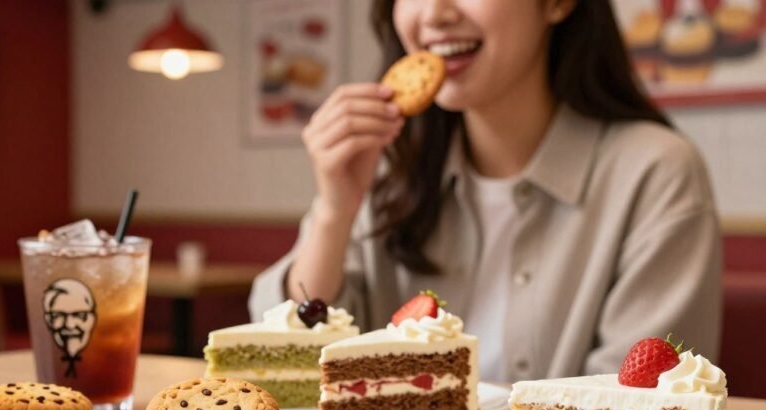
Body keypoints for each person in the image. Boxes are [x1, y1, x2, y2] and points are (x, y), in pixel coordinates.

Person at [249, 0, 721, 383]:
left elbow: (641, 407)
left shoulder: (656, 174)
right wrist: (334, 211)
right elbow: (284, 361)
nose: (433, 13)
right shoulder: (387, 168)